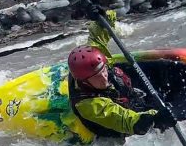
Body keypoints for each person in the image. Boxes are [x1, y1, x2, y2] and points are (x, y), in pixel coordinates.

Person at [67, 7, 176, 137]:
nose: (103, 77)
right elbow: (124, 120)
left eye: (103, 70)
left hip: (125, 96)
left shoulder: (95, 57)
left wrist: (102, 16)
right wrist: (155, 118)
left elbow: (99, 33)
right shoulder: (88, 105)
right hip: (116, 127)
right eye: (96, 76)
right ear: (84, 81)